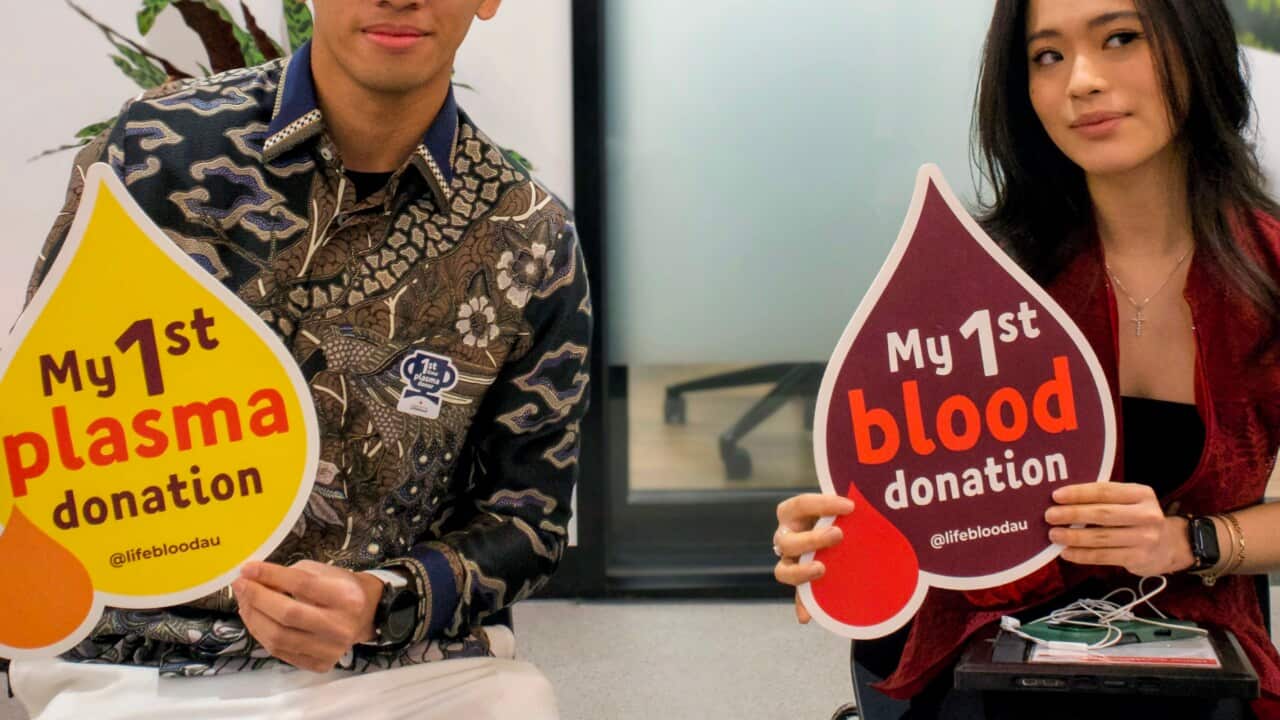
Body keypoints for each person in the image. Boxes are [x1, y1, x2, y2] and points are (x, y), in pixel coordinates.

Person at [6, 1, 590, 719]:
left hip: (403, 665)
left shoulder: (527, 237)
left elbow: (525, 520)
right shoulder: (157, 149)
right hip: (143, 659)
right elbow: (39, 410)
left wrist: (382, 601)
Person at [774, 0, 1280, 717]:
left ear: (1195, 44)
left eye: (1121, 38)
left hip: (1189, 658)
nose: (1081, 80)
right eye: (1047, 56)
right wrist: (833, 544)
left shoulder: (1267, 271)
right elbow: (903, 486)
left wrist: (1190, 539)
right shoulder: (981, 277)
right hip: (971, 653)